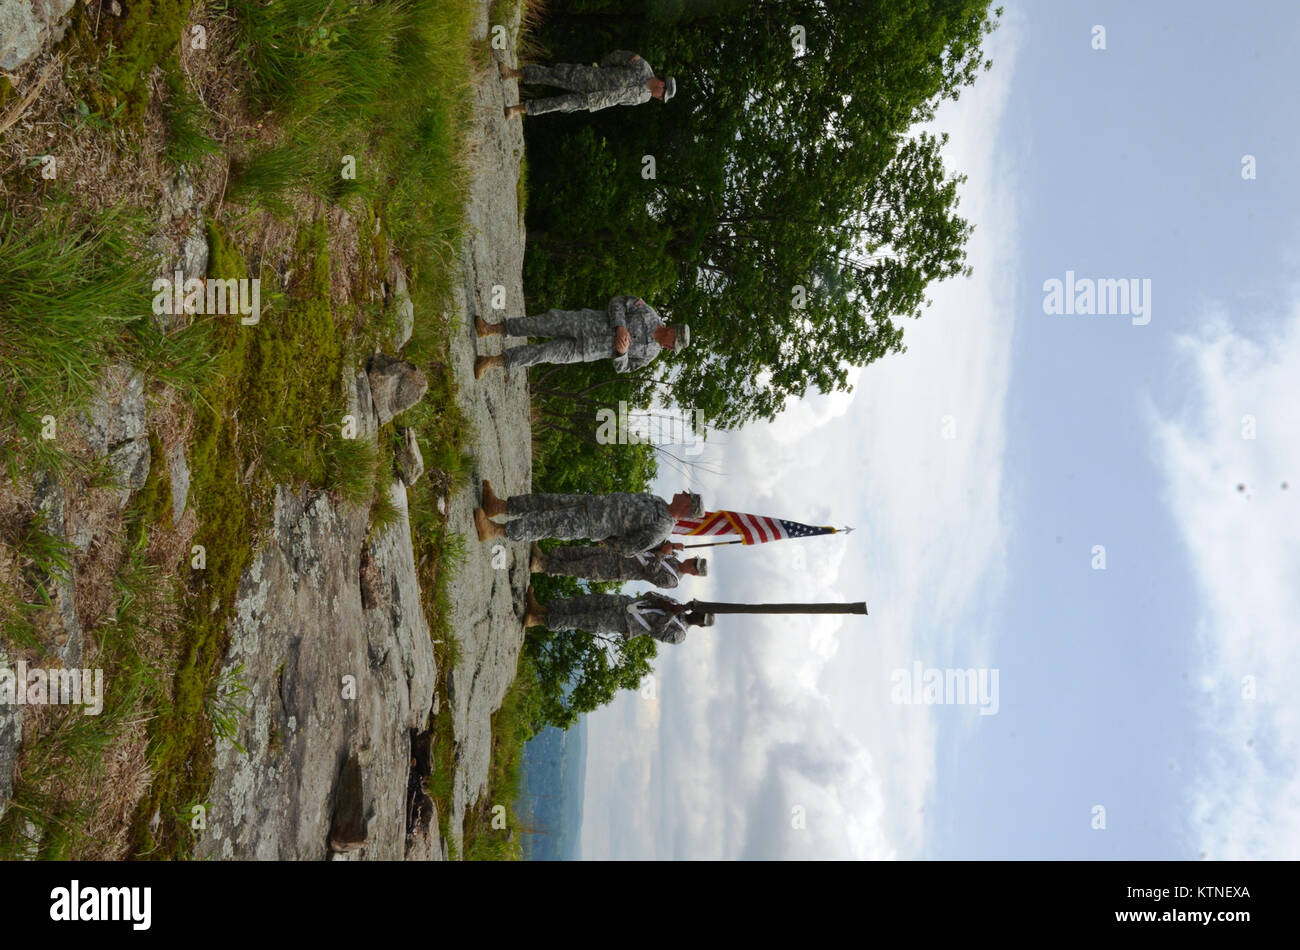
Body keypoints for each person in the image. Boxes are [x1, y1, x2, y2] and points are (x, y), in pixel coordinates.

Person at [474, 295, 687, 379]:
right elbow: (617, 302)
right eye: (673, 344)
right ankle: (490, 329)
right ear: (672, 331)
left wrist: (621, 354)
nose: (670, 348)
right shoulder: (648, 313)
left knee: (543, 353)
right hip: (584, 323)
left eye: (673, 348)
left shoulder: (651, 354)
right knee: (540, 324)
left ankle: (490, 361)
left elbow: (625, 368)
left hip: (586, 351)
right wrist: (621, 326)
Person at [475, 481, 702, 555]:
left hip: (593, 523)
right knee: (545, 502)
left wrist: (605, 538)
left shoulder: (662, 529)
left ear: (687, 505)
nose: (683, 492)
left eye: (686, 496)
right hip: (593, 504)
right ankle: (499, 506)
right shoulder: (661, 502)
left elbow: (629, 549)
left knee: (546, 524)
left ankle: (495, 531)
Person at [499, 51, 676, 118]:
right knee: (553, 75)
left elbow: (621, 101)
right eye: (662, 94)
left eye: (662, 98)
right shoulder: (642, 66)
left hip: (594, 101)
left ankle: (517, 109)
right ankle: (512, 73)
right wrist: (602, 70)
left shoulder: (643, 99)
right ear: (662, 84)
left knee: (560, 104)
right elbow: (616, 56)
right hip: (589, 78)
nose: (659, 98)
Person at [523, 588, 712, 644]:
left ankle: (538, 621)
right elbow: (650, 596)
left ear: (701, 625)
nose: (698, 614)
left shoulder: (680, 635)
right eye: (700, 610)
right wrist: (670, 605)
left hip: (626, 623)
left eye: (701, 617)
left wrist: (672, 613)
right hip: (625, 603)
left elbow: (657, 632)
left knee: (581, 620)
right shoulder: (678, 605)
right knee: (580, 603)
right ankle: (541, 608)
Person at [530, 541, 705, 589]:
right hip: (619, 554)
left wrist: (662, 553)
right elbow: (651, 545)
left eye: (694, 565)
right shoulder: (673, 557)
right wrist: (670, 546)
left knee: (578, 567)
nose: (691, 561)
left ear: (694, 573)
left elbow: (651, 572)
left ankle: (541, 567)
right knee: (578, 553)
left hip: (619, 569)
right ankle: (545, 557)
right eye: (694, 559)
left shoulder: (673, 581)